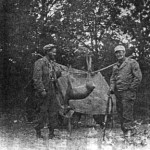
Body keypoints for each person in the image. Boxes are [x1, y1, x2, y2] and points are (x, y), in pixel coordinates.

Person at [109, 45, 142, 137]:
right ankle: (125, 131)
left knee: (127, 112)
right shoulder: (115, 66)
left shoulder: (132, 63)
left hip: (128, 92)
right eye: (117, 53)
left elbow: (138, 77)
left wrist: (131, 88)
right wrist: (111, 88)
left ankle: (129, 131)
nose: (119, 54)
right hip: (118, 93)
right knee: (120, 112)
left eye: (120, 52)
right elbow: (112, 78)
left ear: (124, 52)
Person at [33, 44, 62, 139]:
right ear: (47, 52)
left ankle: (52, 133)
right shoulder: (39, 63)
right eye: (53, 52)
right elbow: (37, 78)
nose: (55, 54)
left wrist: (57, 72)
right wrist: (42, 90)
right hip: (44, 92)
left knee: (53, 112)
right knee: (42, 112)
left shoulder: (53, 63)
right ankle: (38, 132)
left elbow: (57, 75)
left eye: (55, 52)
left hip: (52, 91)